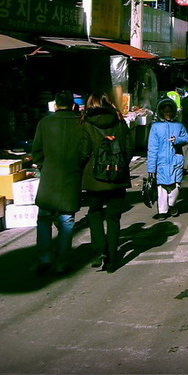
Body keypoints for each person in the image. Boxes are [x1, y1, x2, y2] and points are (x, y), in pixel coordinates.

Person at [80, 92, 134, 273]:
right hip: (117, 178)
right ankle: (112, 261)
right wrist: (119, 167)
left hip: (94, 179)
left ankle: (100, 248)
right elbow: (128, 149)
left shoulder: (86, 124)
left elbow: (84, 152)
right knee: (113, 219)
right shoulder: (120, 122)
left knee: (94, 212)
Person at [31, 90, 84, 275]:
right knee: (67, 222)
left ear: (55, 105)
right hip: (71, 178)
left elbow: (36, 152)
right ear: (73, 105)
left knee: (44, 219)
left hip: (49, 179)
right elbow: (85, 152)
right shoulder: (80, 123)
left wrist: (45, 166)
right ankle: (62, 262)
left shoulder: (45, 123)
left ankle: (44, 258)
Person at [146, 98, 188, 220]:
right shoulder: (155, 127)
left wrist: (177, 140)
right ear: (161, 112)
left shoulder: (179, 125)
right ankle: (162, 211)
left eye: (170, 111)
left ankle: (172, 204)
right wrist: (151, 168)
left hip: (176, 161)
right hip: (160, 162)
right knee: (161, 188)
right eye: (166, 112)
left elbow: (187, 138)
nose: (168, 114)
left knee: (175, 186)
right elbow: (152, 148)